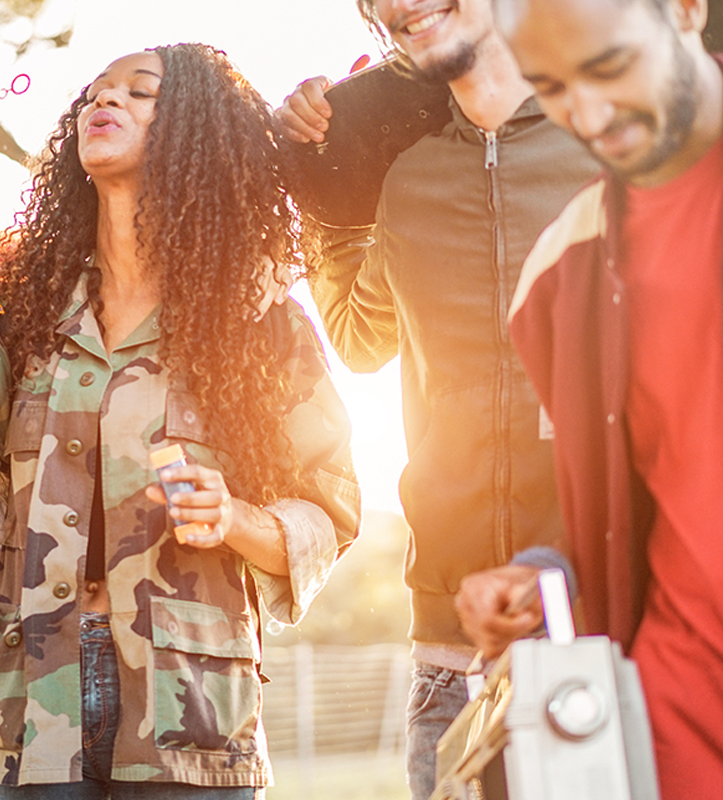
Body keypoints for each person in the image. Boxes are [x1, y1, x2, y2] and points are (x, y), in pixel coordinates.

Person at [0, 42, 361, 797]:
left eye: (141, 92)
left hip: (187, 713)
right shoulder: (27, 309)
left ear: (197, 132)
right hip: (34, 703)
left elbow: (332, 508)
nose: (106, 101)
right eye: (96, 92)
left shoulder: (256, 321)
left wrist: (235, 517)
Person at [272, 1, 602, 796]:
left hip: (618, 631)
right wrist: (318, 182)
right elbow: (356, 337)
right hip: (451, 661)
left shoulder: (616, 150)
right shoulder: (410, 182)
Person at [454, 0, 723, 795]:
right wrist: (543, 578)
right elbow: (627, 509)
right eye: (553, 86)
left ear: (685, 9)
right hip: (675, 740)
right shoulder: (558, 277)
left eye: (609, 68)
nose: (591, 115)